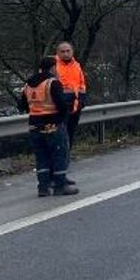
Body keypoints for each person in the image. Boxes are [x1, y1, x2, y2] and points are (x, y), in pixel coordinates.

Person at [17, 57, 79, 197]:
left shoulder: (28, 85)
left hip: (34, 125)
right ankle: (60, 186)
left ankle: (43, 188)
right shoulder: (52, 83)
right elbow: (61, 105)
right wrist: (67, 111)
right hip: (53, 124)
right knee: (59, 155)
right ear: (52, 68)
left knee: (42, 157)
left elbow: (23, 105)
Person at [55, 42, 88, 181]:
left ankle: (63, 169)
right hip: (60, 107)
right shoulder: (54, 66)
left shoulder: (76, 65)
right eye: (62, 51)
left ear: (72, 51)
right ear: (58, 53)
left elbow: (81, 84)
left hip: (75, 106)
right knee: (61, 139)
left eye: (68, 51)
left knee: (69, 136)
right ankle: (58, 171)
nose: (65, 53)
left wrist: (82, 100)